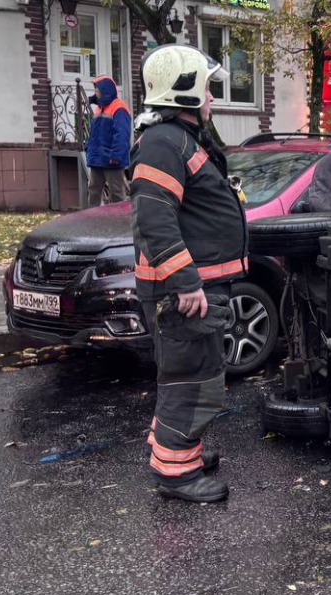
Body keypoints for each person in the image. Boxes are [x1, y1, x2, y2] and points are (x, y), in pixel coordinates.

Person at [130, 44, 247, 503]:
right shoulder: (164, 143)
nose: (214, 97)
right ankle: (176, 474)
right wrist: (186, 283)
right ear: (186, 91)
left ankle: (178, 450)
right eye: (210, 88)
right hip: (182, 293)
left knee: (188, 374)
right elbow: (154, 219)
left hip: (189, 288)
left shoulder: (175, 138)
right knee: (192, 379)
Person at [85, 75, 131, 206]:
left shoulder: (119, 107)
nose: (95, 92)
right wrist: (89, 148)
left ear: (105, 90)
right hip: (97, 158)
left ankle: (121, 222)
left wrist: (116, 155)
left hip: (112, 159)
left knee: (117, 193)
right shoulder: (99, 108)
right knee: (93, 191)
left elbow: (122, 134)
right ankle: (92, 219)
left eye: (97, 90)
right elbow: (95, 134)